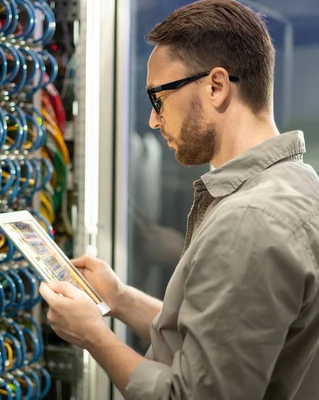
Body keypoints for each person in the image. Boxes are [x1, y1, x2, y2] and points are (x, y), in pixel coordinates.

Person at [39, 1, 319, 399]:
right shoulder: (297, 183)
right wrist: (119, 299)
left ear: (216, 86)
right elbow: (217, 341)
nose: (154, 120)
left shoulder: (251, 220)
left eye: (159, 98)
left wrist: (94, 337)